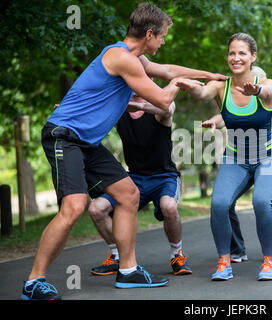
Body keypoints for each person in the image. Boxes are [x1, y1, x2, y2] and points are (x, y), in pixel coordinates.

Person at [22, 3, 227, 300]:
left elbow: (167, 69)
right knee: (75, 207)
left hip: (86, 142)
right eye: (162, 36)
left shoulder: (133, 58)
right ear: (149, 34)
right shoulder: (121, 58)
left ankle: (129, 270)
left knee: (129, 194)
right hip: (64, 137)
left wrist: (210, 75)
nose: (164, 41)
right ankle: (33, 282)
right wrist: (178, 84)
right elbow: (160, 96)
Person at [179, 33, 272, 281]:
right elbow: (202, 94)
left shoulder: (265, 81)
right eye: (232, 53)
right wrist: (185, 83)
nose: (236, 58)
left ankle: (269, 261)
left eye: (242, 53)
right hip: (235, 158)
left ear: (252, 57)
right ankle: (224, 262)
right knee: (218, 204)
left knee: (261, 202)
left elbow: (269, 92)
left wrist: (257, 90)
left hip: (268, 157)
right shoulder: (220, 87)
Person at [89, 94, 192, 277]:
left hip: (164, 176)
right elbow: (95, 117)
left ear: (149, 78)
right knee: (97, 209)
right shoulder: (119, 110)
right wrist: (71, 113)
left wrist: (135, 105)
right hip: (135, 178)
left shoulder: (160, 102)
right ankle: (117, 256)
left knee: (168, 207)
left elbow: (167, 110)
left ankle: (177, 254)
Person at [200, 66, 272, 264]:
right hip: (240, 159)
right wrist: (215, 120)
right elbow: (224, 117)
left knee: (263, 202)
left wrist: (259, 95)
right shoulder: (235, 102)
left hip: (269, 158)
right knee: (223, 203)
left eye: (255, 83)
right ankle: (236, 250)